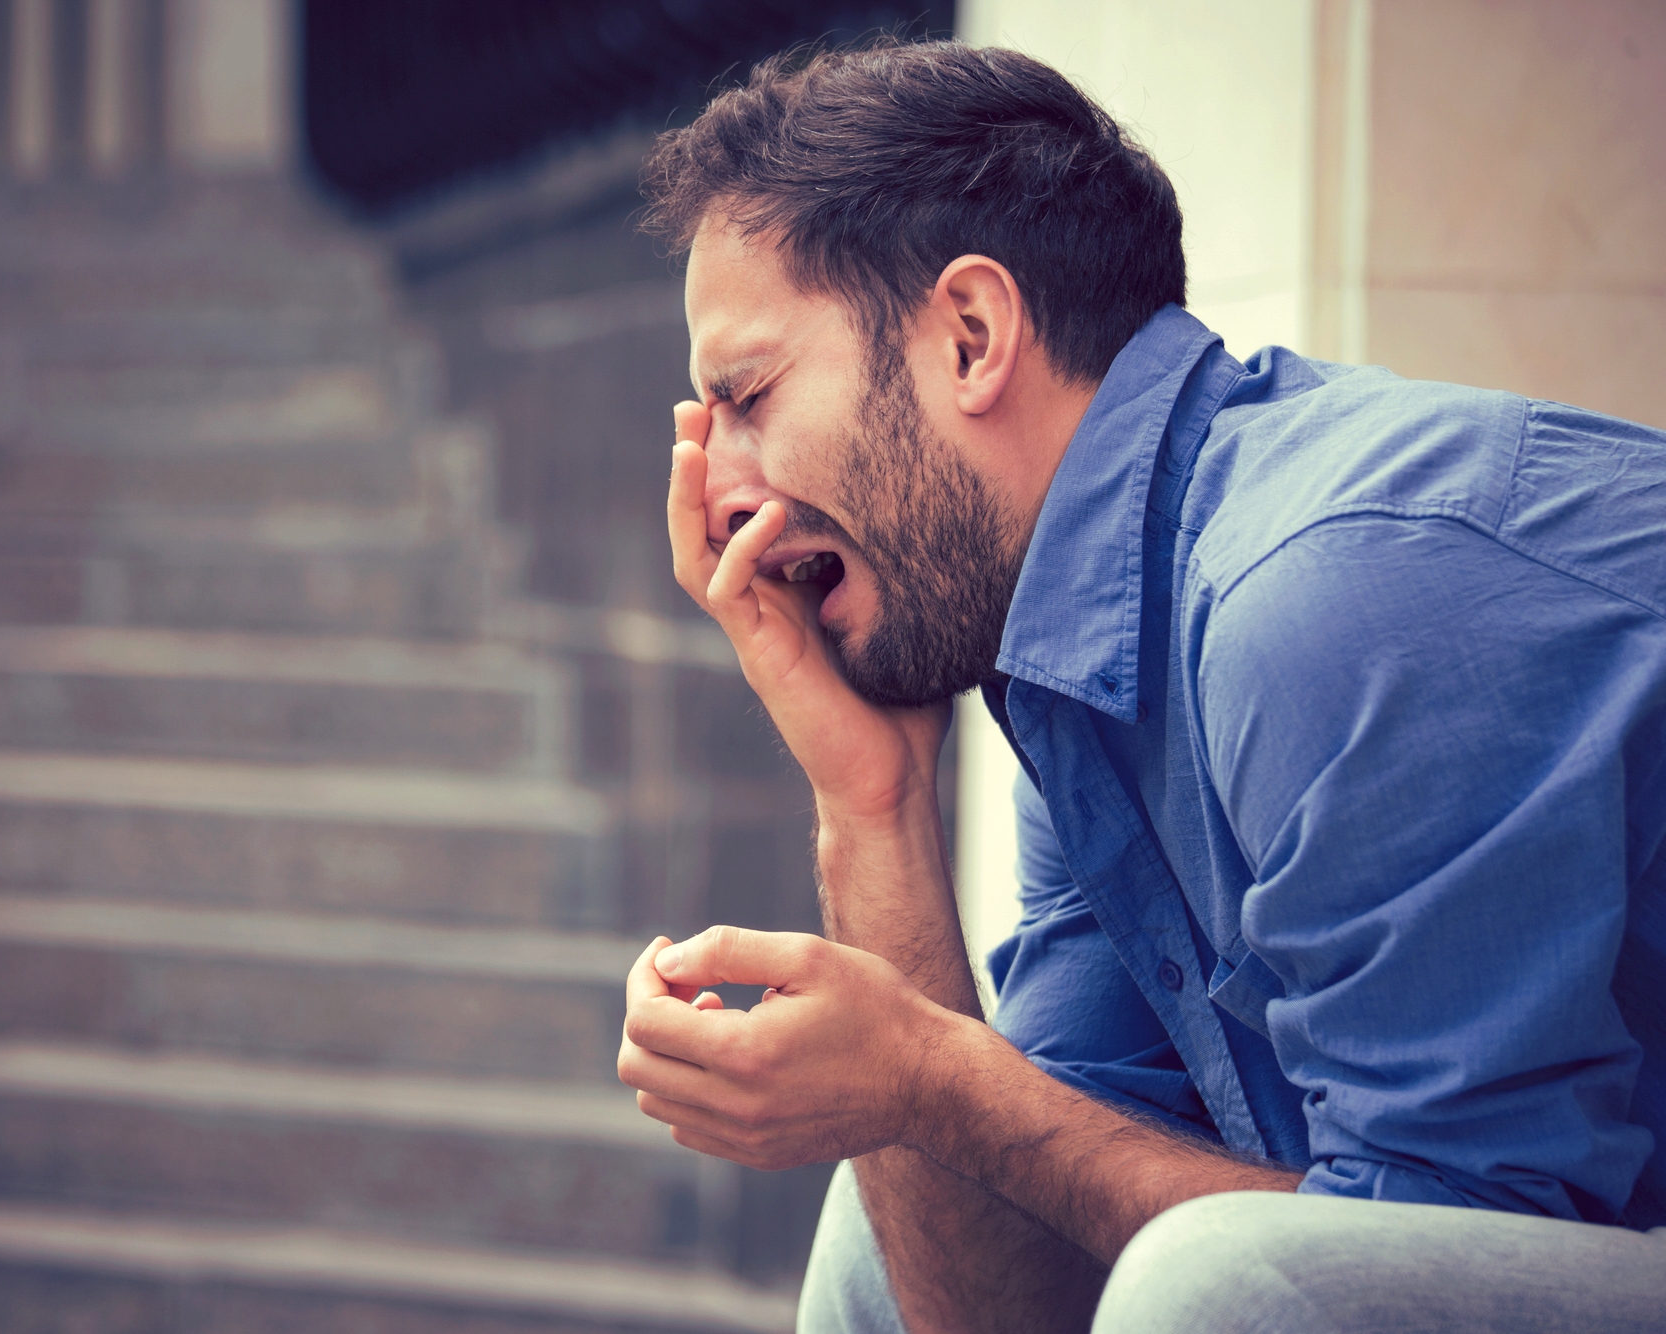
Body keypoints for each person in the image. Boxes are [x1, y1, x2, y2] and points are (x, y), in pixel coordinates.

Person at [612, 38, 1666, 1334]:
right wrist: (870, 800)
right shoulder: (1082, 668)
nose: (715, 495)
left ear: (973, 335)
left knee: (1219, 1274)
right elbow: (995, 1309)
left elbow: (1416, 1262)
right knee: (891, 1217)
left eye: (747, 395)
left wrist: (932, 1075)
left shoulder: (1324, 591)